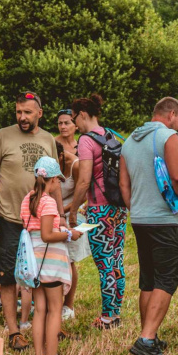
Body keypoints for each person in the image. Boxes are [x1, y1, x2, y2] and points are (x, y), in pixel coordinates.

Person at [0, 91, 62, 352]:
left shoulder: (49, 139)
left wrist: (60, 218)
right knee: (7, 277)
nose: (22, 117)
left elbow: (55, 181)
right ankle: (14, 331)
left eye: (27, 112)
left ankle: (50, 326)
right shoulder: (2, 136)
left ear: (40, 112)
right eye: (18, 112)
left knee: (43, 275)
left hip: (41, 221)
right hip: (7, 218)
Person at [120, 97, 178, 355]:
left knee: (148, 279)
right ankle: (147, 339)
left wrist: (136, 207)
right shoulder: (168, 136)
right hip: (163, 218)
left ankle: (149, 334)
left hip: (139, 218)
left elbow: (124, 186)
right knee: (167, 277)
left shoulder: (129, 141)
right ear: (170, 114)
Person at [72, 94, 129, 329]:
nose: (74, 124)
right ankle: (115, 313)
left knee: (104, 263)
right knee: (116, 260)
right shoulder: (109, 135)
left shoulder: (86, 141)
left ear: (83, 115)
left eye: (74, 118)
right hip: (118, 208)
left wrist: (73, 208)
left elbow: (84, 181)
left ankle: (106, 318)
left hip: (99, 211)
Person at [20, 157, 80, 355]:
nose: (58, 185)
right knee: (55, 310)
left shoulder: (28, 199)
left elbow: (34, 230)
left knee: (40, 310)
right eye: (58, 181)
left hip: (35, 261)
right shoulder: (47, 202)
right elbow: (46, 235)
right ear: (52, 179)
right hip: (50, 261)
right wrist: (69, 234)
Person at [56, 142, 90, 320]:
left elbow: (83, 193)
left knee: (69, 259)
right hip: (52, 214)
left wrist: (64, 212)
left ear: (61, 156)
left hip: (70, 214)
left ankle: (68, 305)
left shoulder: (75, 164)